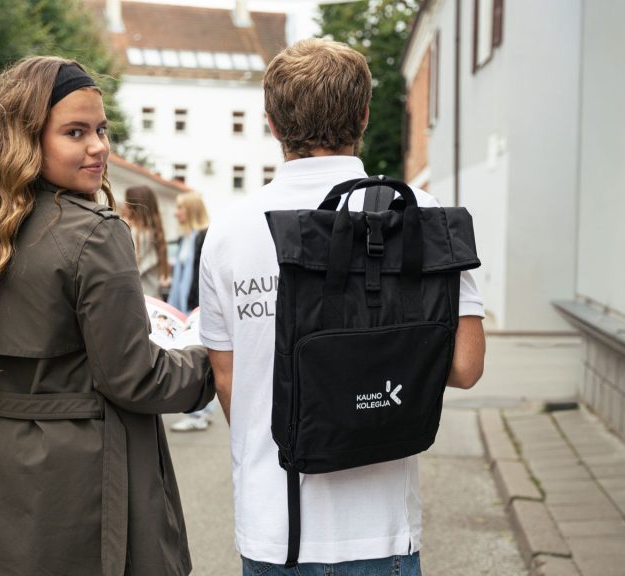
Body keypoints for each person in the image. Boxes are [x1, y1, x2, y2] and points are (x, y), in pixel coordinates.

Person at [0, 56, 214, 576]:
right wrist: (207, 362)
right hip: (71, 487)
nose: (98, 147)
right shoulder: (96, 233)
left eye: (100, 129)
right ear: (26, 139)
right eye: (75, 132)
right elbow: (136, 379)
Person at [198, 38, 486, 575]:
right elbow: (466, 366)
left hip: (275, 523)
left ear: (272, 123)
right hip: (380, 528)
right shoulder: (422, 218)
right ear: (364, 113)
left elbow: (229, 379)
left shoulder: (230, 231)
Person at [168, 191, 214, 432]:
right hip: (185, 308)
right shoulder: (186, 237)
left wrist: (196, 308)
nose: (176, 213)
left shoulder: (203, 236)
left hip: (196, 308)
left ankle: (198, 414)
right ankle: (200, 411)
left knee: (195, 359)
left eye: (180, 208)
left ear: (191, 210)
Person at [121, 185, 170, 299]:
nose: (123, 205)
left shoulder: (135, 233)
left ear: (134, 206)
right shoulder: (155, 232)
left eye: (126, 201)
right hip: (152, 297)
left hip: (139, 299)